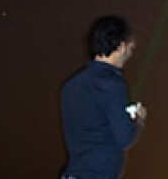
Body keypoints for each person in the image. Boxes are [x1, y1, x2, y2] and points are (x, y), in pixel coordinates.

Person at [59, 15, 147, 179]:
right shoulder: (112, 84)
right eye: (130, 48)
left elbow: (91, 125)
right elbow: (125, 137)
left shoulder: (70, 86)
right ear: (120, 46)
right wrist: (139, 120)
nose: (129, 54)